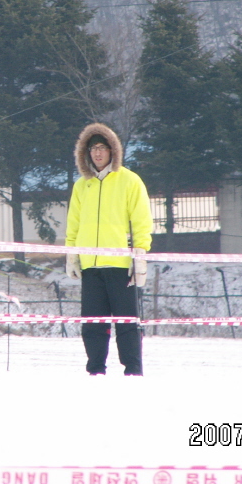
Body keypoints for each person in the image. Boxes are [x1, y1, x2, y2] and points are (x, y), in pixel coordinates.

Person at [65, 123, 153, 376]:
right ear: (86, 152)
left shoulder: (130, 181)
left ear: (113, 150)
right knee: (93, 324)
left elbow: (141, 221)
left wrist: (140, 254)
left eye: (103, 148)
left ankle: (133, 371)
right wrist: (72, 254)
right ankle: (95, 371)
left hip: (121, 265)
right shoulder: (82, 185)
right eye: (93, 148)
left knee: (126, 323)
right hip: (91, 267)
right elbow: (74, 223)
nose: (98, 153)